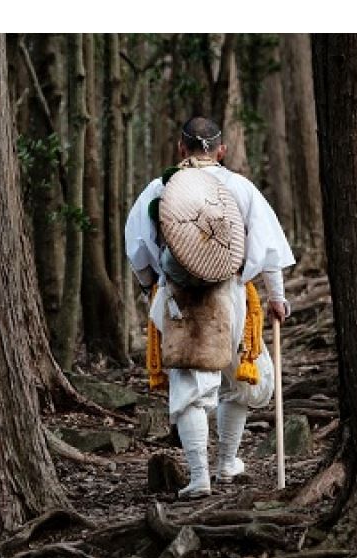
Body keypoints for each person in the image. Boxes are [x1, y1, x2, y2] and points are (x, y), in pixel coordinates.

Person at [125, 116, 295, 498]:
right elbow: (268, 249)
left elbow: (136, 248)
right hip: (232, 296)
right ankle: (224, 465)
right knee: (240, 379)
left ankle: (202, 475)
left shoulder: (159, 188)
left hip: (177, 299)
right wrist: (278, 297)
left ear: (181, 149)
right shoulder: (240, 187)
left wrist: (148, 285)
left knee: (190, 386)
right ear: (221, 151)